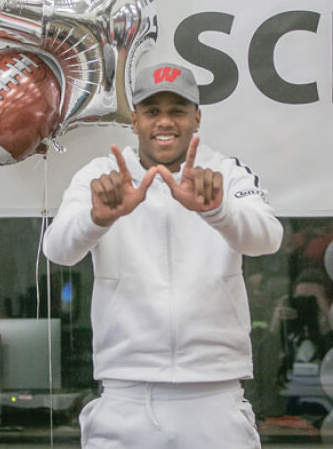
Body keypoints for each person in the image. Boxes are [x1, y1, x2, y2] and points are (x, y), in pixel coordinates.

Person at [43, 62, 283, 449]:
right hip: (126, 394)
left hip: (214, 396)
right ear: (134, 120)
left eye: (177, 110)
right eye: (153, 111)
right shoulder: (101, 175)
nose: (165, 122)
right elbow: (58, 251)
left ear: (197, 118)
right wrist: (96, 219)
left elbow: (268, 239)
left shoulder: (224, 172)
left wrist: (217, 211)